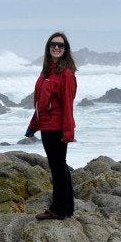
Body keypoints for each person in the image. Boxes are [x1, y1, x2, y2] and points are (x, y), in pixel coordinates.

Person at [25, 32, 77, 220]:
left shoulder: (66, 73)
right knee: (59, 167)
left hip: (56, 128)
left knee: (58, 167)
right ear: (48, 48)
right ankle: (67, 207)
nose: (56, 48)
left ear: (65, 50)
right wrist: (33, 126)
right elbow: (41, 103)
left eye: (60, 46)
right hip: (46, 126)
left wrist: (68, 132)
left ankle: (58, 209)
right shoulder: (47, 71)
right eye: (53, 45)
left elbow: (67, 105)